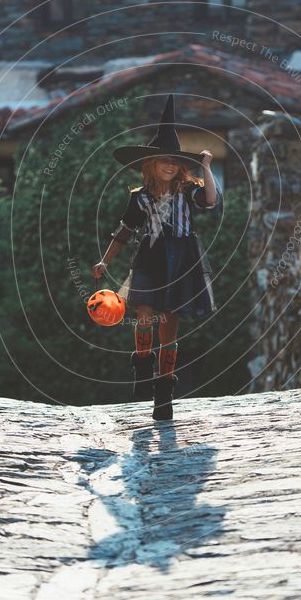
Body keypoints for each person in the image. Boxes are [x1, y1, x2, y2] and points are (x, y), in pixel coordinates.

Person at [92, 95, 221, 421]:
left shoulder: (188, 192)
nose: (169, 165)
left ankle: (164, 395)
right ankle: (142, 364)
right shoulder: (139, 199)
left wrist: (206, 168)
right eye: (163, 159)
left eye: (175, 161)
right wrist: (105, 260)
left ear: (181, 166)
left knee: (170, 330)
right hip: (149, 257)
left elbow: (211, 200)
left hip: (183, 258)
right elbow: (123, 232)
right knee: (145, 315)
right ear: (150, 164)